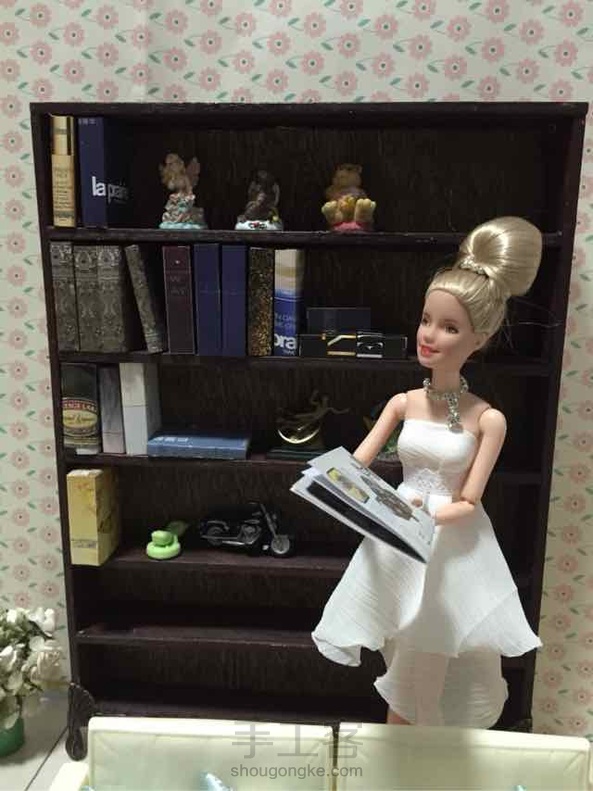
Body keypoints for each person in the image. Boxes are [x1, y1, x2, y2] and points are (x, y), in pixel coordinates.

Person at [311, 216, 543, 728]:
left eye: (450, 327)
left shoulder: (488, 419)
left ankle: (417, 745)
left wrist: (429, 517)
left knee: (431, 646)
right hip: (398, 534)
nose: (430, 336)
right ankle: (409, 745)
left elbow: (470, 501)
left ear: (480, 338)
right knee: (400, 644)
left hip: (450, 547)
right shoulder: (403, 403)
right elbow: (354, 466)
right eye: (426, 320)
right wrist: (342, 487)